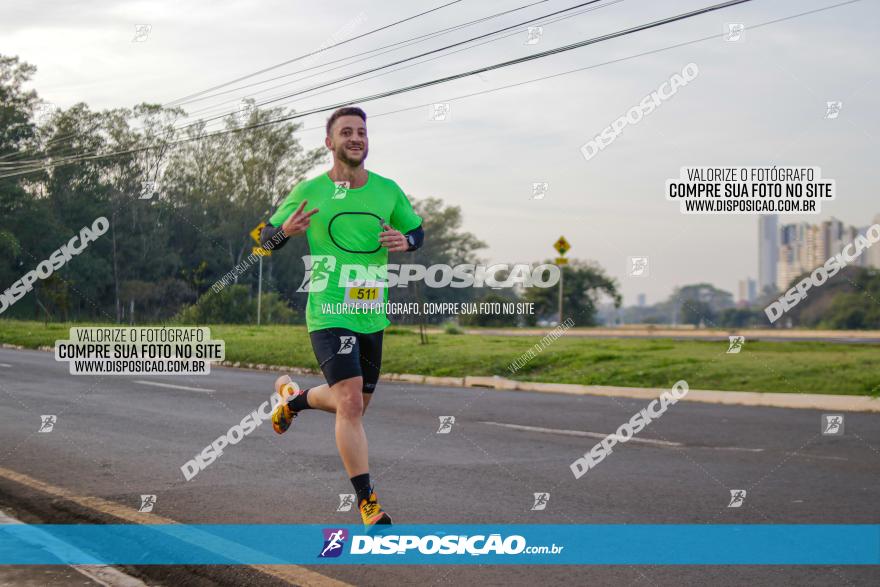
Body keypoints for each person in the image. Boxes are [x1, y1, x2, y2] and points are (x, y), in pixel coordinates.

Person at [259, 106, 425, 526]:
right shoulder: (310, 190)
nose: (356, 138)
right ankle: (367, 501)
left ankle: (293, 401)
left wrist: (405, 240)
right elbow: (263, 239)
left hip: (371, 313)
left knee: (354, 406)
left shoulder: (387, 190)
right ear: (329, 142)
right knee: (350, 401)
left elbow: (417, 231)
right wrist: (284, 233)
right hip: (330, 310)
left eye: (362, 132)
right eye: (346, 132)